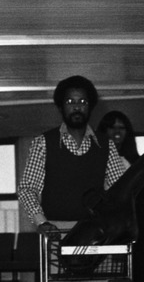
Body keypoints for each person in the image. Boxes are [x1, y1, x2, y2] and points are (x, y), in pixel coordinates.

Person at [18, 75, 126, 232]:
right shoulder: (43, 143)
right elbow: (27, 189)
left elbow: (120, 189)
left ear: (90, 107)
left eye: (83, 102)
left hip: (95, 231)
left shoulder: (106, 145)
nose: (77, 107)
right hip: (55, 230)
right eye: (70, 102)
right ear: (61, 107)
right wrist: (42, 222)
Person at [97, 110, 144, 282]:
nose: (117, 132)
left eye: (122, 128)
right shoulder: (96, 160)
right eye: (112, 127)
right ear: (104, 131)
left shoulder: (135, 162)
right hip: (107, 224)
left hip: (135, 225)